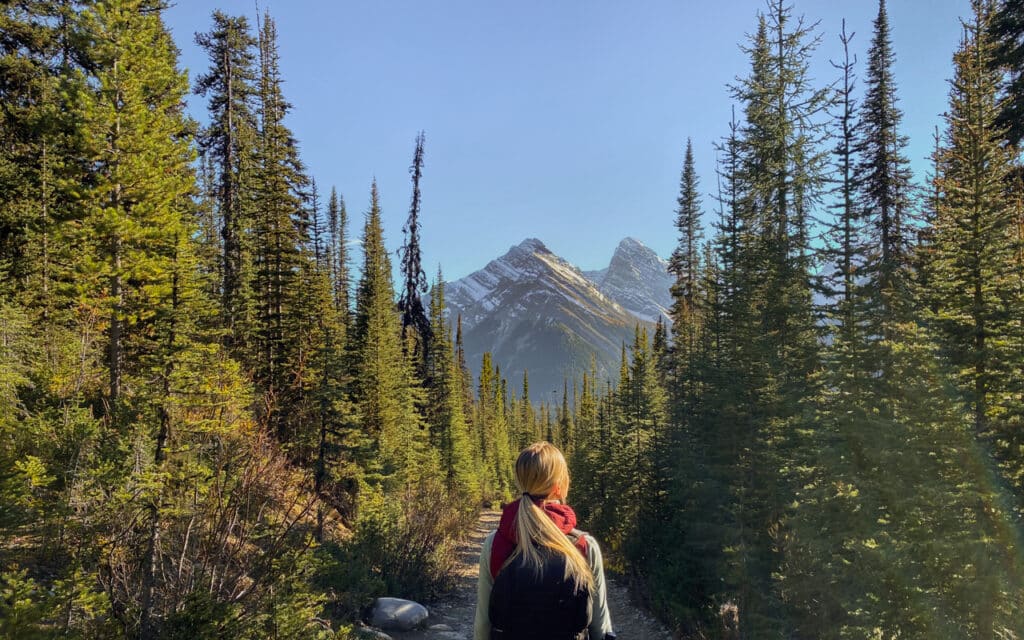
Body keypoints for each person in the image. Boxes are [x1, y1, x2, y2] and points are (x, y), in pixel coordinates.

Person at [474, 442, 616, 640]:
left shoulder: (495, 543)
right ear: (559, 486)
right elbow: (600, 626)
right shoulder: (584, 545)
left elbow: (483, 624)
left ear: (520, 482)